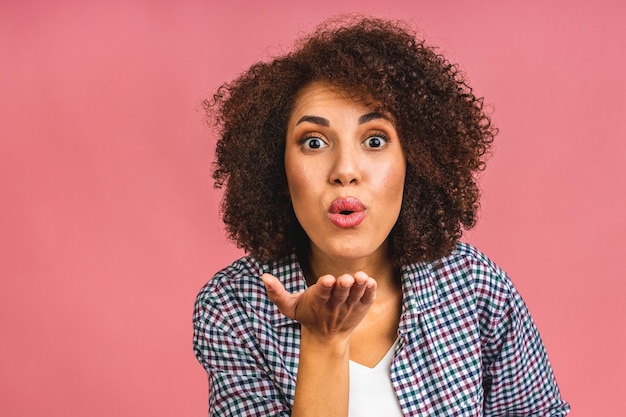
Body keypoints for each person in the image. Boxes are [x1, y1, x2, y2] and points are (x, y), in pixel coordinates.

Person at [192, 16, 569, 416]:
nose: (345, 170)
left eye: (374, 140)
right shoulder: (232, 307)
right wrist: (324, 339)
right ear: (277, 170)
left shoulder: (474, 287)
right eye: (314, 142)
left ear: (415, 162)